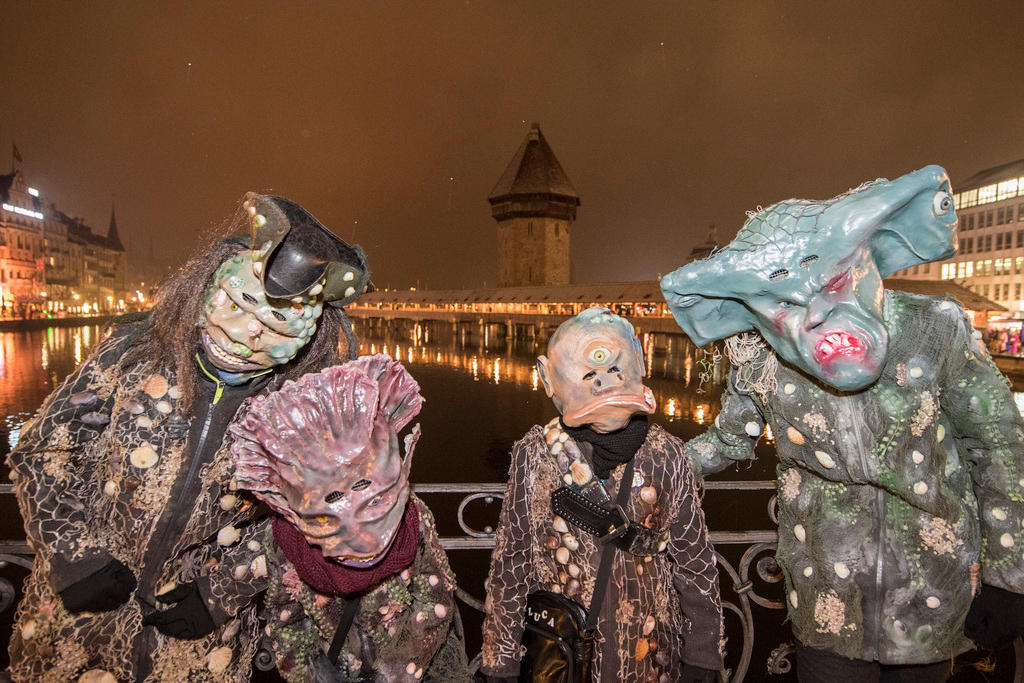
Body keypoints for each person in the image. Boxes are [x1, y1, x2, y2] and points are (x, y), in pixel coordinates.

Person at [661, 165, 1024, 682]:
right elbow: (727, 439)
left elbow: (1000, 446)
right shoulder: (760, 359)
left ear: (863, 263)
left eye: (829, 284)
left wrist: (1009, 575)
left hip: (933, 591)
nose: (813, 315)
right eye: (782, 304)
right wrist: (653, 463)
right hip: (827, 598)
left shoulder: (937, 329)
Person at [7, 192, 370, 681]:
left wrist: (223, 591)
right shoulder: (131, 356)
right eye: (240, 304)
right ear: (205, 288)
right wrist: (73, 557)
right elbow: (46, 449)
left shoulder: (303, 413)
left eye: (275, 324)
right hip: (77, 619)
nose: (246, 335)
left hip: (195, 644)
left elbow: (312, 517)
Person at [481, 307, 724, 682]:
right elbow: (512, 561)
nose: (604, 383)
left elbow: (694, 560)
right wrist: (501, 662)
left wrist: (703, 657)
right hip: (562, 656)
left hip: (649, 655)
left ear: (639, 362)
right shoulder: (537, 454)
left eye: (614, 370)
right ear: (549, 379)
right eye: (589, 374)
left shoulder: (664, 453)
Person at [229, 355, 470, 682]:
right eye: (333, 497)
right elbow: (285, 621)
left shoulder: (414, 519)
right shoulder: (288, 539)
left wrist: (391, 674)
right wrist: (312, 676)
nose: (363, 533)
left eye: (365, 488)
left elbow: (434, 605)